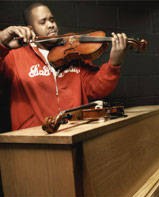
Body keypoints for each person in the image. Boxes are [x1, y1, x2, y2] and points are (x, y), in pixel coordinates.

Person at [0, 3, 127, 131]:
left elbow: (97, 88)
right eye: (43, 22)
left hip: (74, 133)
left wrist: (114, 64)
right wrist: (1, 42)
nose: (51, 25)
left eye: (52, 20)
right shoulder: (15, 56)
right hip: (33, 138)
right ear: (30, 29)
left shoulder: (72, 55)